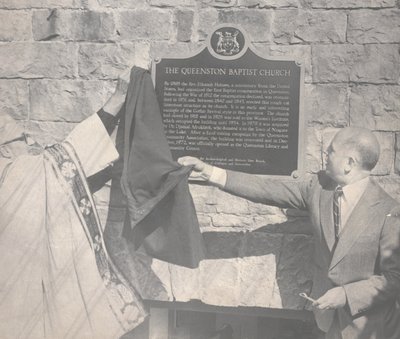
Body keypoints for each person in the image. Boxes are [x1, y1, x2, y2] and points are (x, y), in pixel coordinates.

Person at [178, 127, 400, 339]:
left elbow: (394, 278)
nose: (326, 154)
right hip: (329, 322)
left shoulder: (388, 211)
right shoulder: (319, 187)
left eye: (331, 150)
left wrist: (345, 295)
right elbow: (268, 189)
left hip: (371, 328)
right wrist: (209, 172)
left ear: (350, 163)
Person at [0, 69, 147, 338]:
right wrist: (117, 98)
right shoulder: (12, 174)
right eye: (22, 138)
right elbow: (64, 158)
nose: (31, 141)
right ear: (4, 149)